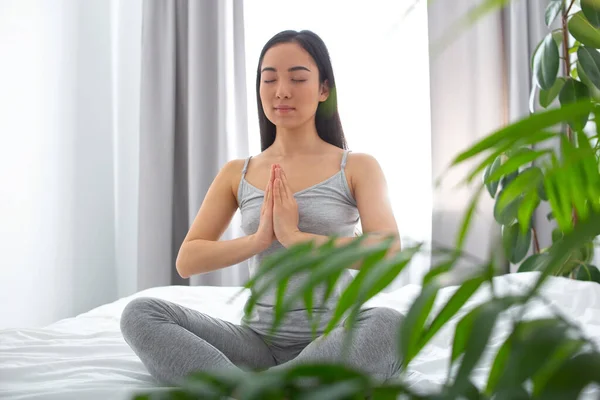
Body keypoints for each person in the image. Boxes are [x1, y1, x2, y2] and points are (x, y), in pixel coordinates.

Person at [120, 29, 404, 387]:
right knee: (141, 313)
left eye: (297, 78)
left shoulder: (357, 167)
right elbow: (188, 259)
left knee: (390, 324)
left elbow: (388, 252)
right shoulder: (237, 172)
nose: (281, 90)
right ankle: (281, 388)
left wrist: (296, 238)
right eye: (269, 79)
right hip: (256, 343)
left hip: (334, 337)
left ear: (323, 89)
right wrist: (258, 241)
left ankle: (252, 390)